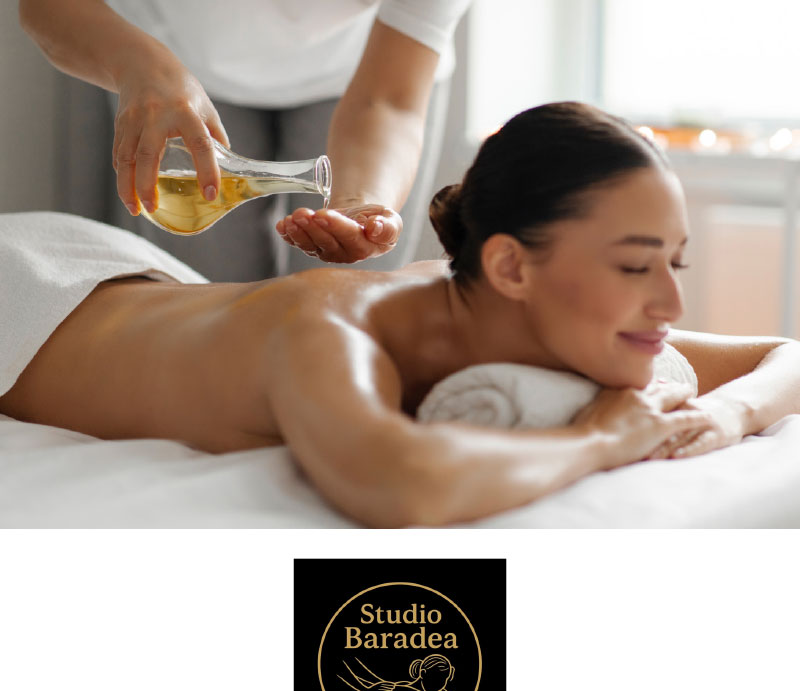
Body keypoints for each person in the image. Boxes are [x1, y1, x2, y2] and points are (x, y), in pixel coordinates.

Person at [2, 102, 800, 527]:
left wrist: (729, 414)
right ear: (511, 266)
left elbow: (784, 353)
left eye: (674, 263)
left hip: (136, 283)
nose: (671, 304)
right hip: (26, 291)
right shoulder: (330, 330)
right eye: (633, 266)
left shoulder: (519, 307)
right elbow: (398, 484)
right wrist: (599, 440)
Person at [18, 0, 470, 281]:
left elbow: (386, 100)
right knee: (203, 298)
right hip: (173, 59)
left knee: (344, 297)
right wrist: (140, 67)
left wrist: (361, 202)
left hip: (368, 70)